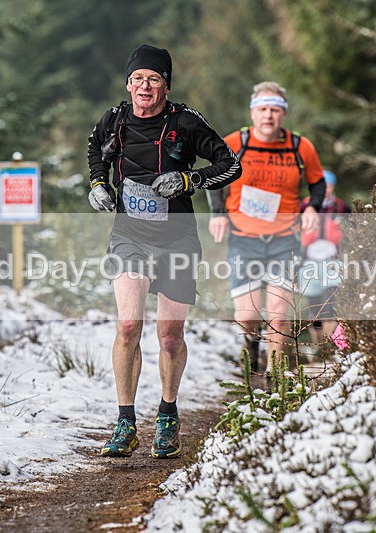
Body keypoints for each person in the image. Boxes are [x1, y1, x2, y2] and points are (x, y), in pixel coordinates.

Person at [87, 44, 241, 458]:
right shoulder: (114, 121)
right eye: (137, 79)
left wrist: (190, 181)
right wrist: (99, 185)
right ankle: (125, 421)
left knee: (169, 336)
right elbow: (94, 152)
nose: (144, 86)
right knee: (127, 326)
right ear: (128, 84)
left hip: (176, 239)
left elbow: (231, 165)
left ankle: (168, 415)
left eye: (153, 79)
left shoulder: (186, 122)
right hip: (129, 236)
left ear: (165, 86)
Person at [207, 81, 325, 373]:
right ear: (253, 112)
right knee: (247, 315)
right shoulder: (236, 142)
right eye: (262, 109)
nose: (268, 116)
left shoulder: (300, 146)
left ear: (283, 114)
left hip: (284, 241)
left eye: (274, 110)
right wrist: (218, 213)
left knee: (279, 316)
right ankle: (250, 344)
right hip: (244, 240)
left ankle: (274, 380)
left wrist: (312, 207)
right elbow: (213, 178)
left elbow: (318, 184)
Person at [300, 168, 351, 346]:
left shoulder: (342, 207)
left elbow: (353, 231)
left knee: (333, 300)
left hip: (333, 260)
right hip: (309, 260)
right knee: (313, 305)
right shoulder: (303, 207)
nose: (324, 189)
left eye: (327, 185)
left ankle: (333, 344)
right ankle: (318, 345)